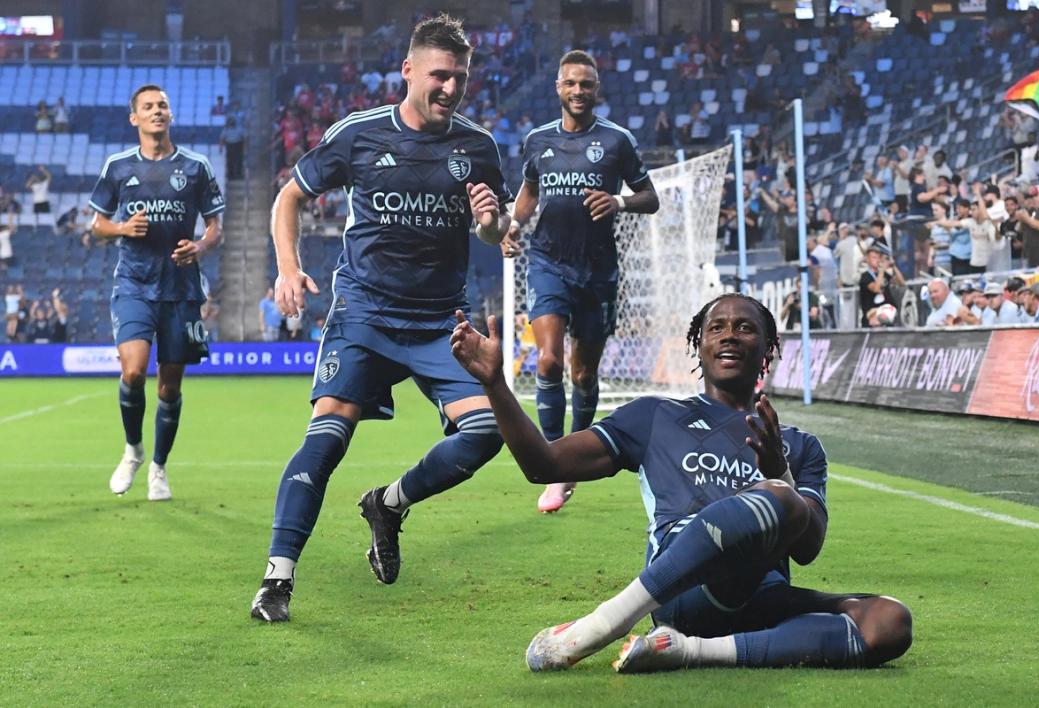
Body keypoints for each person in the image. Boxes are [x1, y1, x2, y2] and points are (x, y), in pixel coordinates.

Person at [450, 295, 912, 673]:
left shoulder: (800, 445)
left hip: (760, 595)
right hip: (683, 592)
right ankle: (602, 624)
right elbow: (543, 465)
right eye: (717, 327)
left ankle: (688, 652)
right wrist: (495, 385)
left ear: (769, 346)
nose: (730, 334)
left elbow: (808, 549)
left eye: (745, 327)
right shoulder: (655, 415)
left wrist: (780, 471)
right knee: (780, 496)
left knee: (889, 621)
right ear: (700, 345)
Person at [250, 14, 512, 623]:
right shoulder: (360, 135)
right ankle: (276, 579)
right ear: (409, 71)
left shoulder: (478, 147)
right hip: (363, 313)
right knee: (326, 439)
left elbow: (497, 232)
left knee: (486, 433)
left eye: (461, 79)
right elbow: (290, 196)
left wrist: (491, 219)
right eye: (440, 76)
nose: (451, 89)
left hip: (439, 322)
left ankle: (390, 504)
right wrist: (288, 269)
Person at [497, 50, 660, 513]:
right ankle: (556, 464)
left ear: (596, 89)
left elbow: (650, 197)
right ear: (558, 87)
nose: (578, 91)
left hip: (599, 271)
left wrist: (620, 202)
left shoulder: (617, 141)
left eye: (586, 85)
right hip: (549, 262)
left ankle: (574, 458)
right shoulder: (537, 141)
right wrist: (513, 224)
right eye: (570, 83)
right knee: (547, 361)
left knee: (583, 372)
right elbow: (529, 192)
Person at [89, 84, 225, 502]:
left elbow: (216, 228)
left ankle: (159, 468)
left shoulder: (196, 166)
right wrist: (122, 228)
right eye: (148, 106)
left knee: (169, 387)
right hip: (133, 282)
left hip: (181, 290)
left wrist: (199, 246)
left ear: (170, 114)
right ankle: (133, 450)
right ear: (134, 118)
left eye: (162, 105)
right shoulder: (117, 167)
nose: (157, 111)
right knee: (132, 371)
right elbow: (97, 226)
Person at [858, 243, 904, 328]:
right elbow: (876, 288)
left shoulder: (883, 274)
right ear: (867, 259)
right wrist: (882, 270)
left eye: (878, 257)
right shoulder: (865, 276)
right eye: (874, 258)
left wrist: (893, 267)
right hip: (872, 318)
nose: (877, 260)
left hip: (886, 316)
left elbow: (901, 283)